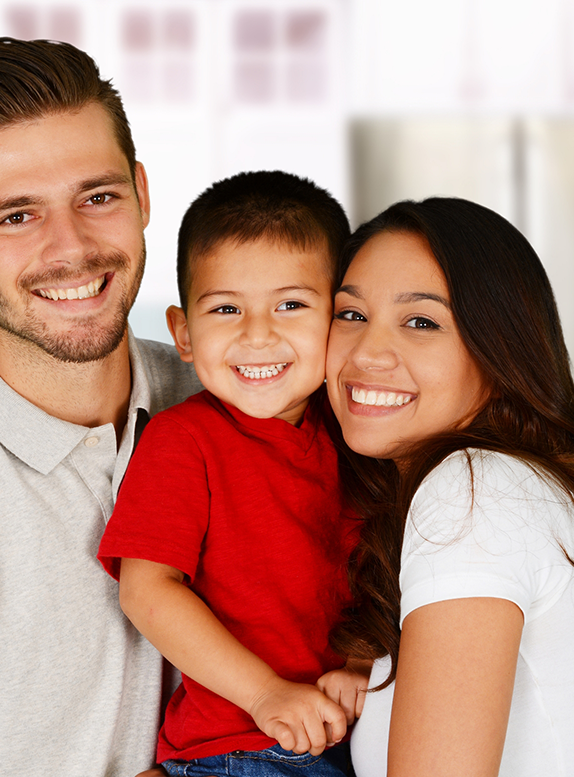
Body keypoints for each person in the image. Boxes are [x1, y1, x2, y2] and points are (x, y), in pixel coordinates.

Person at [0, 38, 202, 776]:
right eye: (15, 216)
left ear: (143, 192)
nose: (73, 248)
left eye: (97, 197)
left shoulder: (243, 402)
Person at [324, 197, 574, 777]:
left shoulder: (473, 492)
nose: (367, 353)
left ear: (499, 352)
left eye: (422, 322)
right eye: (351, 314)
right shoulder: (509, 487)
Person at [98, 171, 365, 777]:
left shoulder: (359, 434)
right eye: (225, 309)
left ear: (342, 317)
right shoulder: (183, 440)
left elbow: (383, 570)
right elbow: (147, 590)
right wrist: (264, 694)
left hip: (354, 739)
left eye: (291, 304)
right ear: (184, 334)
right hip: (239, 749)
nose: (258, 333)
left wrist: (362, 661)